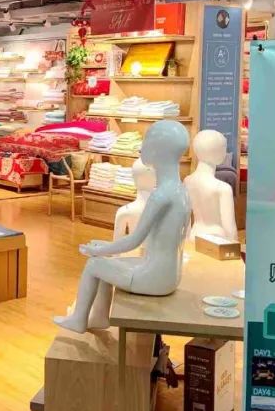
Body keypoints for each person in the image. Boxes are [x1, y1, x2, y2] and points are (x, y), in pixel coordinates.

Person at [54, 120, 190, 333]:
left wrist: (98, 250)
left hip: (154, 277)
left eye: (146, 141)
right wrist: (105, 248)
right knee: (107, 261)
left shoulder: (161, 195)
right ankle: (99, 316)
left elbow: (134, 240)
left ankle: (78, 319)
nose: (141, 147)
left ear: (157, 150)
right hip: (170, 274)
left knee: (94, 264)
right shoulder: (180, 191)